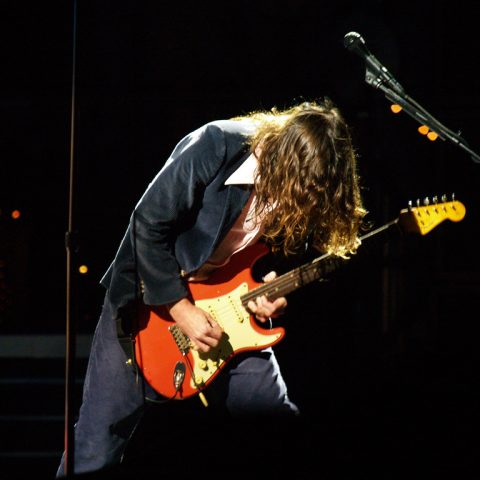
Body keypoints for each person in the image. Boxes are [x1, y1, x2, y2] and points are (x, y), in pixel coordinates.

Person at [56, 98, 366, 478]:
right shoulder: (215, 144)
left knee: (278, 422)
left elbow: (266, 254)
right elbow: (146, 226)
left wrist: (271, 289)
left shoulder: (300, 183)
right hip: (147, 304)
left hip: (227, 310)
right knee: (96, 447)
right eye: (296, 188)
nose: (296, 202)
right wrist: (181, 309)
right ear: (285, 159)